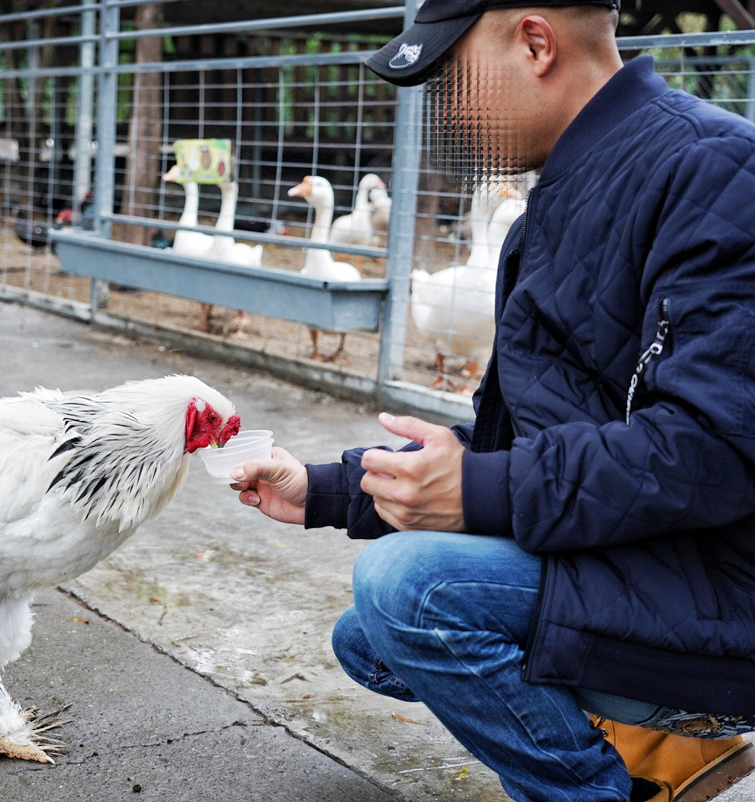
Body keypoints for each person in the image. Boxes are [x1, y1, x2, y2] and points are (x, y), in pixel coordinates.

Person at [229, 0, 755, 799]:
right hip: (639, 559)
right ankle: (652, 747)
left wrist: (479, 490)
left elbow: (709, 449)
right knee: (367, 637)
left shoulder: (718, 173)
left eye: (452, 76)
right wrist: (330, 491)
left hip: (725, 591)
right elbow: (509, 440)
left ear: (536, 43)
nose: (444, 107)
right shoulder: (542, 215)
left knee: (412, 593)